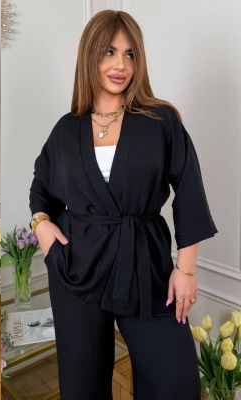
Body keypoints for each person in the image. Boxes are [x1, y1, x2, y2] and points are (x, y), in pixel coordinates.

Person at [29, 10, 217, 400]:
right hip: (77, 268)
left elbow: (189, 190)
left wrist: (186, 269)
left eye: (130, 54)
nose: (120, 65)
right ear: (90, 56)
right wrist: (41, 225)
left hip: (145, 263)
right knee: (81, 387)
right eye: (109, 52)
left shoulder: (160, 120)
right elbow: (41, 186)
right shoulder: (67, 128)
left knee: (176, 383)